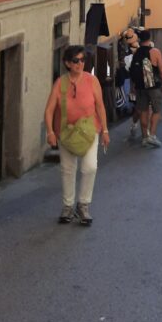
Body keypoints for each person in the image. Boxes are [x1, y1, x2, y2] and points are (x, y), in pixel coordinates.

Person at [44, 44, 109, 225]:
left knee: (90, 167)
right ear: (67, 63)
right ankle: (67, 207)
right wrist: (50, 131)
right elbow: (49, 110)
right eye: (76, 60)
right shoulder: (60, 83)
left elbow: (100, 106)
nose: (80, 64)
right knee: (67, 169)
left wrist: (104, 130)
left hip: (89, 131)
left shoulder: (91, 80)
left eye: (82, 60)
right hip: (66, 132)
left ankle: (83, 205)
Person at [130, 29, 162, 148]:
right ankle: (152, 134)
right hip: (153, 86)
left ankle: (144, 137)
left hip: (140, 87)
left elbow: (133, 71)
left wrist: (133, 87)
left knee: (143, 111)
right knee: (156, 110)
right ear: (150, 38)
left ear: (140, 40)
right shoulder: (155, 51)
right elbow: (161, 71)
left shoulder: (136, 53)